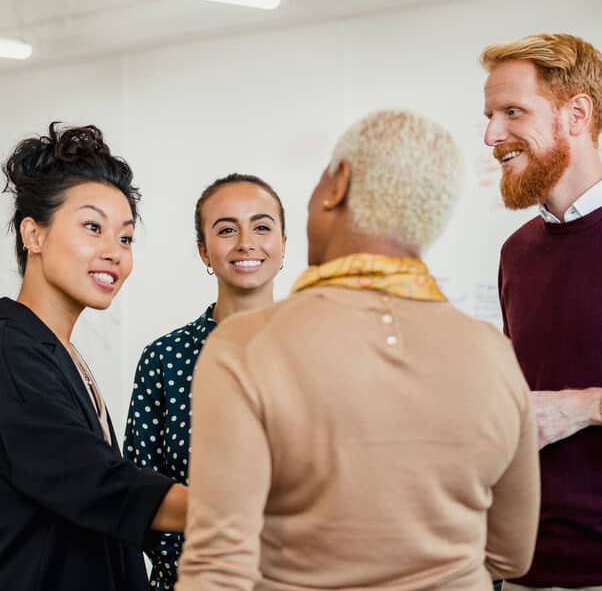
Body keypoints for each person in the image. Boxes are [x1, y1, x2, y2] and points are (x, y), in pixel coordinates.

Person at [175, 110, 540, 591]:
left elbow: (218, 569)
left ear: (337, 182)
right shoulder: (492, 354)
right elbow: (511, 554)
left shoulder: (245, 347)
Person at [0, 123, 187, 591]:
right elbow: (96, 484)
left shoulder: (58, 351)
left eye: (125, 238)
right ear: (34, 234)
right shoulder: (9, 351)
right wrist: (251, 508)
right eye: (92, 227)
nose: (114, 253)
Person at [124, 173, 287, 590]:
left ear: (283, 246)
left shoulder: (323, 350)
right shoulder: (164, 360)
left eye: (262, 226)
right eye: (227, 229)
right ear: (204, 251)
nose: (246, 242)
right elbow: (138, 493)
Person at [481, 33, 602, 590]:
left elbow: (562, 407)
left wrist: (582, 406)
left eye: (512, 112)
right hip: (521, 566)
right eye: (489, 115)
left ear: (576, 114)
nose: (491, 135)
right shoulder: (516, 253)